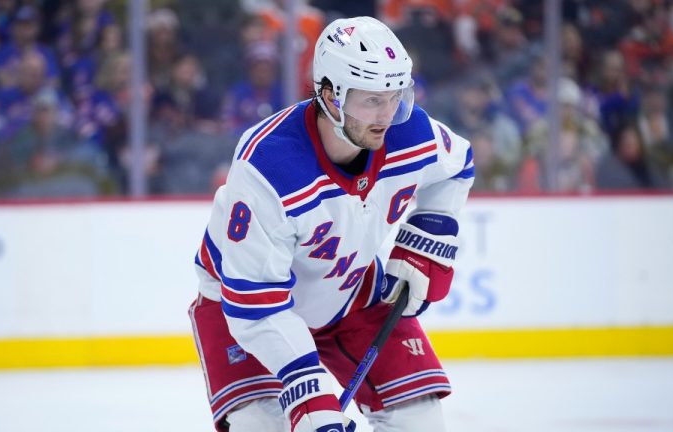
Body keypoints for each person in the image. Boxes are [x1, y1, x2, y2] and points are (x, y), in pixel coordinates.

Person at [189, 16, 473, 432]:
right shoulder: (269, 166)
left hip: (350, 292)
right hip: (243, 311)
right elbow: (256, 304)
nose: (387, 115)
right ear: (329, 95)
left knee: (420, 422)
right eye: (371, 100)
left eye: (396, 96)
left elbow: (457, 165)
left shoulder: (408, 133)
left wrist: (426, 238)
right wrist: (308, 389)